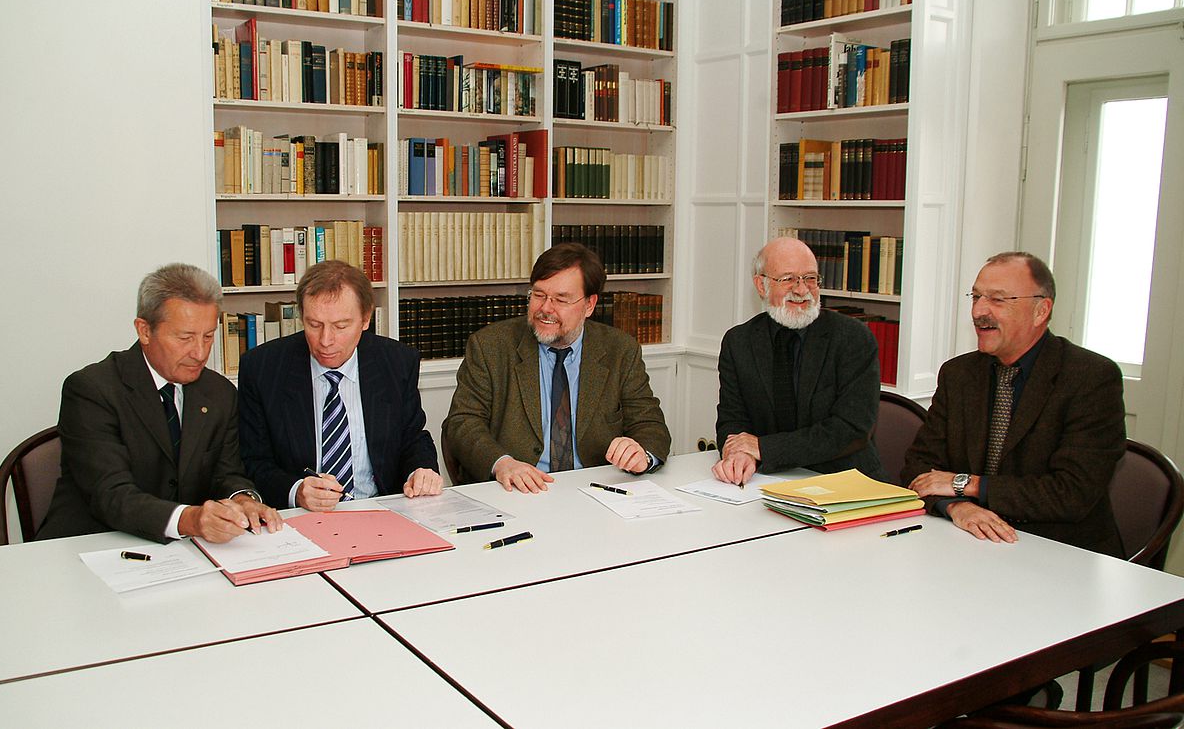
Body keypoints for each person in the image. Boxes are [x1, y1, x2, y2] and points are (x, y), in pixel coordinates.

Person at [37, 264, 281, 543]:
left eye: (208, 336)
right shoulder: (92, 390)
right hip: (92, 545)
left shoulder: (219, 392)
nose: (200, 353)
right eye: (185, 337)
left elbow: (227, 473)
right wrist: (190, 519)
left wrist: (243, 499)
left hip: (183, 553)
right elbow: (111, 494)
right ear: (144, 330)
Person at [903, 252, 1125, 555]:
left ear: (1040, 310)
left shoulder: (1090, 378)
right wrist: (955, 506)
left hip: (1060, 552)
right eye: (976, 297)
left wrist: (966, 485)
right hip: (968, 542)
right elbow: (918, 467)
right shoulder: (959, 374)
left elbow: (1073, 493)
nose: (979, 311)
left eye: (997, 300)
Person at [443, 243, 671, 493]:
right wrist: (502, 463)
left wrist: (642, 454)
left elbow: (650, 424)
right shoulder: (490, 346)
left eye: (561, 299)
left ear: (589, 305)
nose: (545, 309)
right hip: (517, 492)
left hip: (595, 491)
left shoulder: (620, 350)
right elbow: (463, 422)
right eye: (538, 295)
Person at [238, 260, 441, 510]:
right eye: (314, 325)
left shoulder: (397, 362)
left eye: (340, 326)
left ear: (366, 319)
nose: (325, 340)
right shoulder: (263, 369)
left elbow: (412, 438)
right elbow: (253, 461)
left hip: (379, 509)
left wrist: (421, 471)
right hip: (300, 518)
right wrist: (296, 491)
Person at [712, 237, 882, 485]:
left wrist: (763, 448)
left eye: (810, 278)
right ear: (761, 285)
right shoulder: (739, 342)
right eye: (788, 278)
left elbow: (851, 429)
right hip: (764, 482)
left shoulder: (853, 338)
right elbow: (732, 418)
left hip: (844, 482)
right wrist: (738, 454)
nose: (802, 290)